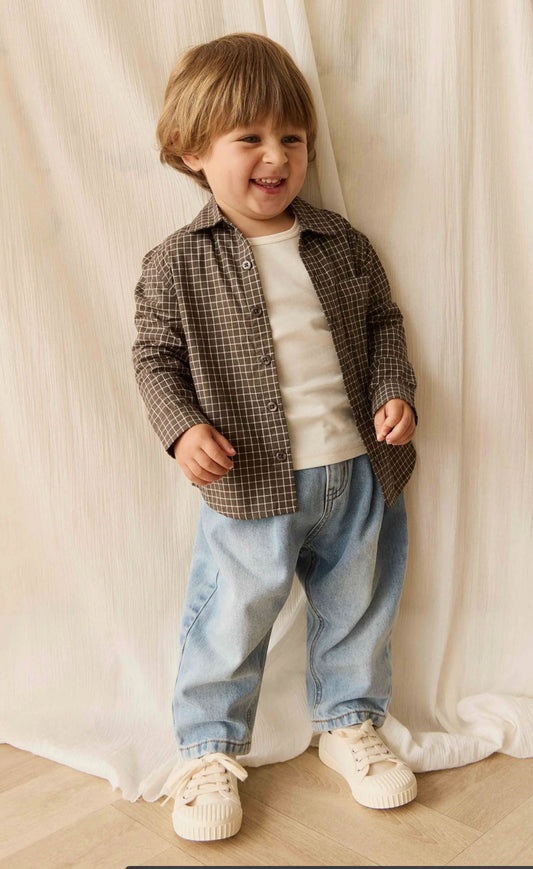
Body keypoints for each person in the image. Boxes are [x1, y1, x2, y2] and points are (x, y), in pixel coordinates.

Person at [132, 32, 419, 843]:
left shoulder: (339, 241)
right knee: (229, 616)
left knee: (357, 605)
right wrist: (181, 428)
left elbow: (382, 324)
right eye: (248, 137)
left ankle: (349, 721)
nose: (275, 156)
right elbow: (154, 357)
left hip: (358, 470)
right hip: (250, 480)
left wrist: (393, 391)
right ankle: (207, 749)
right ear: (192, 151)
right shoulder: (177, 262)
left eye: (291, 137)